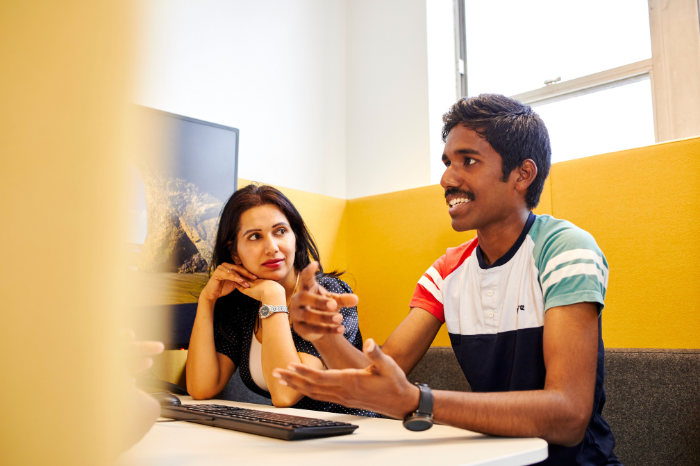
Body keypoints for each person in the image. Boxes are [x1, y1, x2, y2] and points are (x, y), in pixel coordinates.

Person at [273, 95, 620, 464]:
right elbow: (379, 375)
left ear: (523, 174)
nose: (446, 179)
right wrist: (323, 335)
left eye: (468, 161)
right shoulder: (446, 271)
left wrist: (420, 402)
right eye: (447, 162)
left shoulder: (565, 251)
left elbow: (568, 417)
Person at [186, 184, 377, 417]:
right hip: (291, 435)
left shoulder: (324, 294)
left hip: (350, 433)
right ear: (235, 253)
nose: (272, 248)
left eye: (280, 231)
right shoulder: (243, 304)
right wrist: (207, 300)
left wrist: (272, 296)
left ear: (295, 237)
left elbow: (286, 394)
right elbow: (201, 387)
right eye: (255, 236)